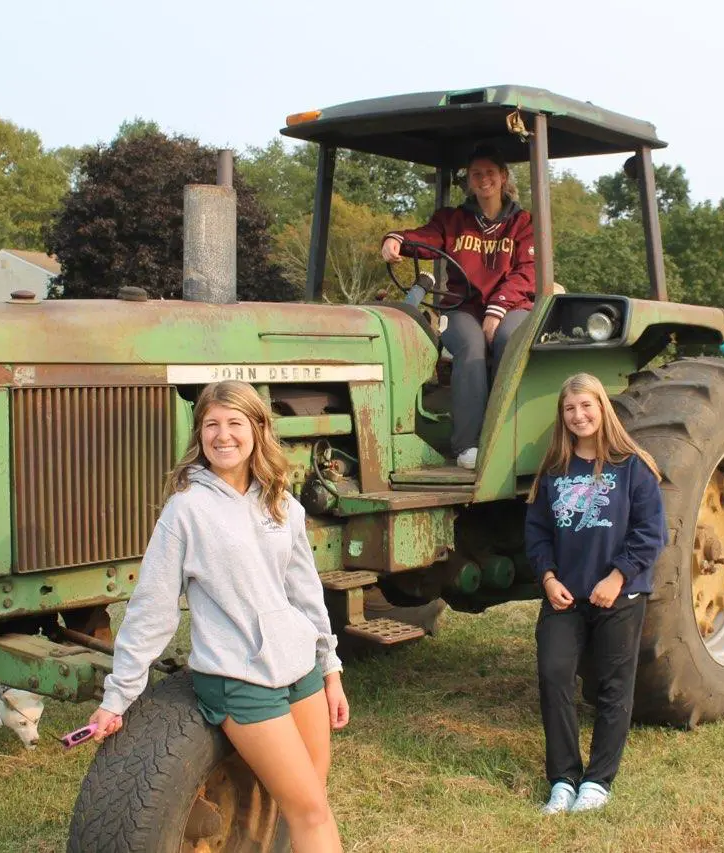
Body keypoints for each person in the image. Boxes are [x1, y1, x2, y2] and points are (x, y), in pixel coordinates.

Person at [88, 380, 349, 853]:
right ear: (199, 435)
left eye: (234, 423)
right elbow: (152, 608)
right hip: (239, 677)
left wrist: (329, 669)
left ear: (257, 429)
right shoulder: (186, 510)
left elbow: (305, 592)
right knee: (308, 809)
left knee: (313, 802)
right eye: (211, 425)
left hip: (300, 669)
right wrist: (119, 695)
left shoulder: (281, 503)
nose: (222, 435)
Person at [524, 372, 666, 815]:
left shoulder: (632, 466)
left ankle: (598, 782)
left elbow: (650, 533)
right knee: (554, 674)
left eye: (586, 406)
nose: (578, 415)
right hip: (565, 595)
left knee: (612, 686)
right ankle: (564, 779)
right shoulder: (553, 472)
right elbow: (537, 534)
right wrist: (548, 579)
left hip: (618, 597)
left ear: (602, 408)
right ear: (562, 417)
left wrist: (618, 578)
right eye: (570, 409)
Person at [381, 143, 535, 470]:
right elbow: (424, 239)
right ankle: (467, 445)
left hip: (511, 306)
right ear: (468, 180)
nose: (483, 180)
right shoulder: (452, 220)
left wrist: (497, 310)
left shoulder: (522, 223)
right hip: (462, 307)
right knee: (472, 345)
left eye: (490, 173)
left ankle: (512, 436)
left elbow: (526, 272)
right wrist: (396, 239)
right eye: (476, 174)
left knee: (510, 340)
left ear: (503, 176)